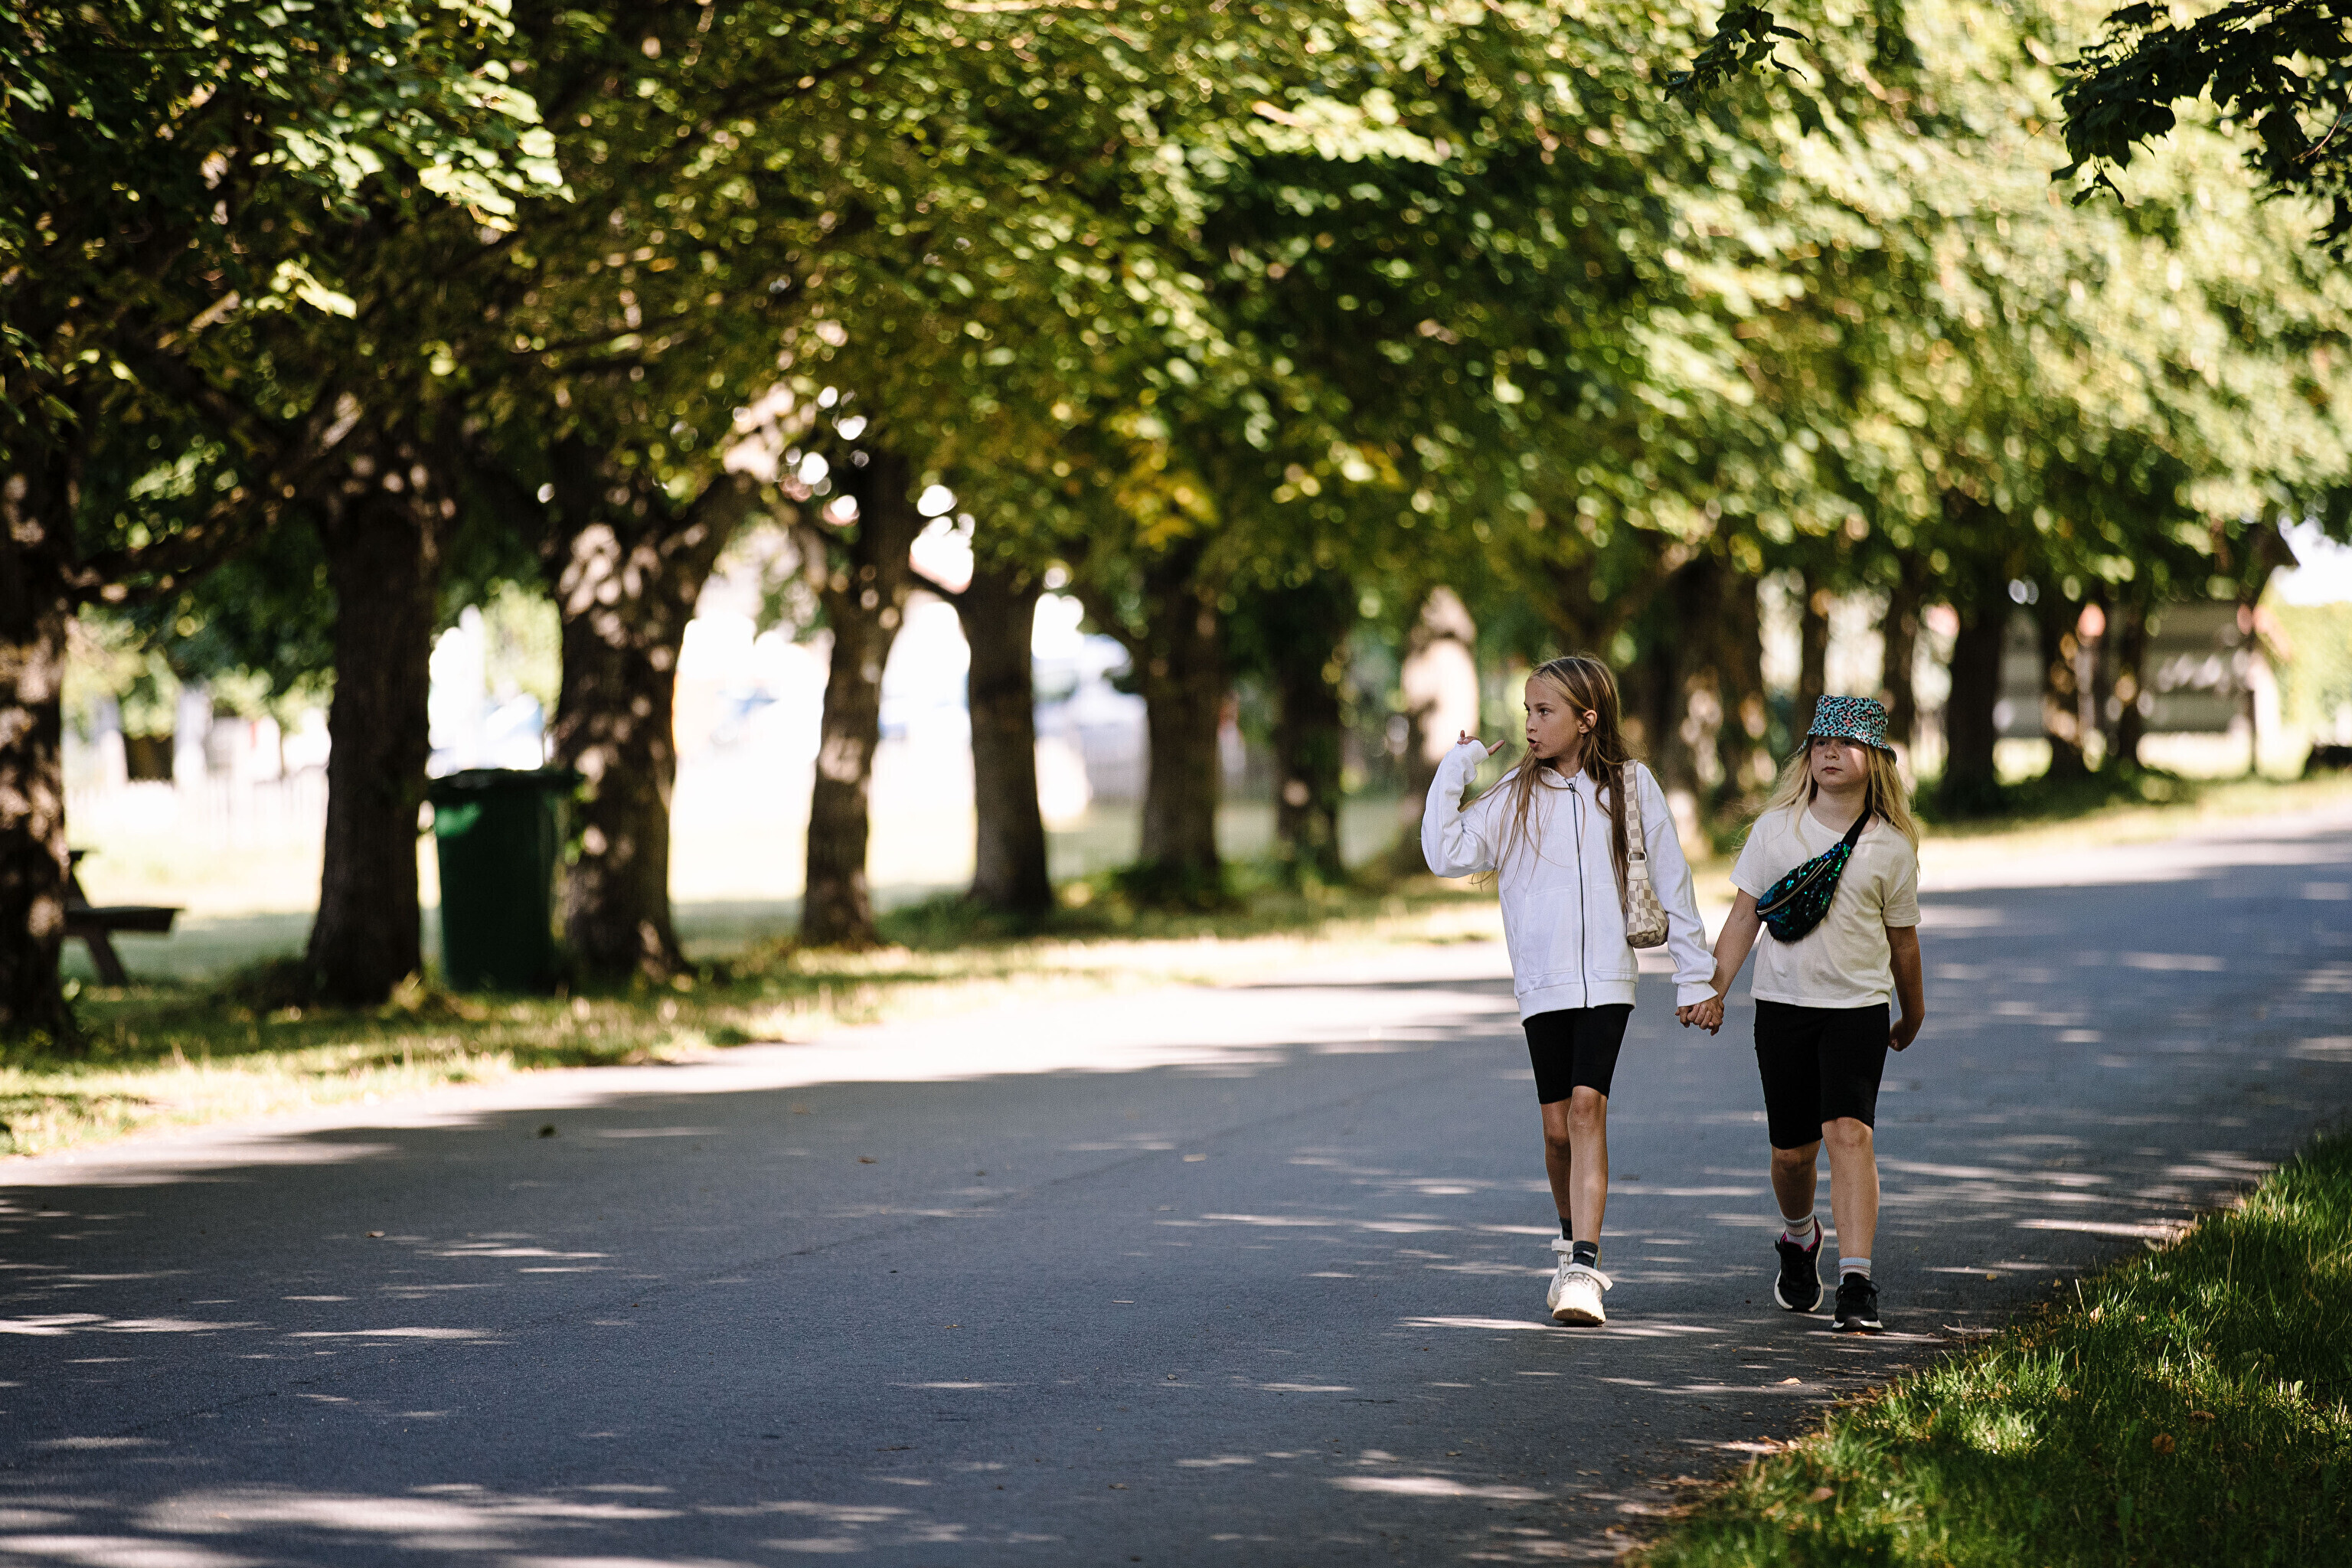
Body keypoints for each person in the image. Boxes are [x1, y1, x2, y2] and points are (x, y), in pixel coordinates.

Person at [1423, 655, 1716, 1326]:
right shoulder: (1513, 795)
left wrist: (1694, 976)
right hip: (1542, 982)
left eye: (1544, 711)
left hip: (1609, 978)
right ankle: (1567, 1243)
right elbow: (1444, 854)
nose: (1530, 724)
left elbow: (1674, 883)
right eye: (1527, 710)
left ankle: (1585, 1267)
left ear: (1587, 719)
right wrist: (1457, 770)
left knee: (1587, 1110)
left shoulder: (1633, 787)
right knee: (1557, 1131)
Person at [1679, 695, 1924, 1333]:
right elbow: (1744, 918)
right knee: (1793, 1155)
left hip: (1858, 1010)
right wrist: (1713, 989)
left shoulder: (1891, 846)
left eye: (1846, 743)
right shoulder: (1775, 831)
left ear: (1875, 759)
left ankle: (1857, 1283)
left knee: (1850, 1133)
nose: (1829, 752)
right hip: (1783, 1009)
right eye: (1820, 742)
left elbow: (1904, 943)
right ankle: (1799, 1236)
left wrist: (1913, 1014)